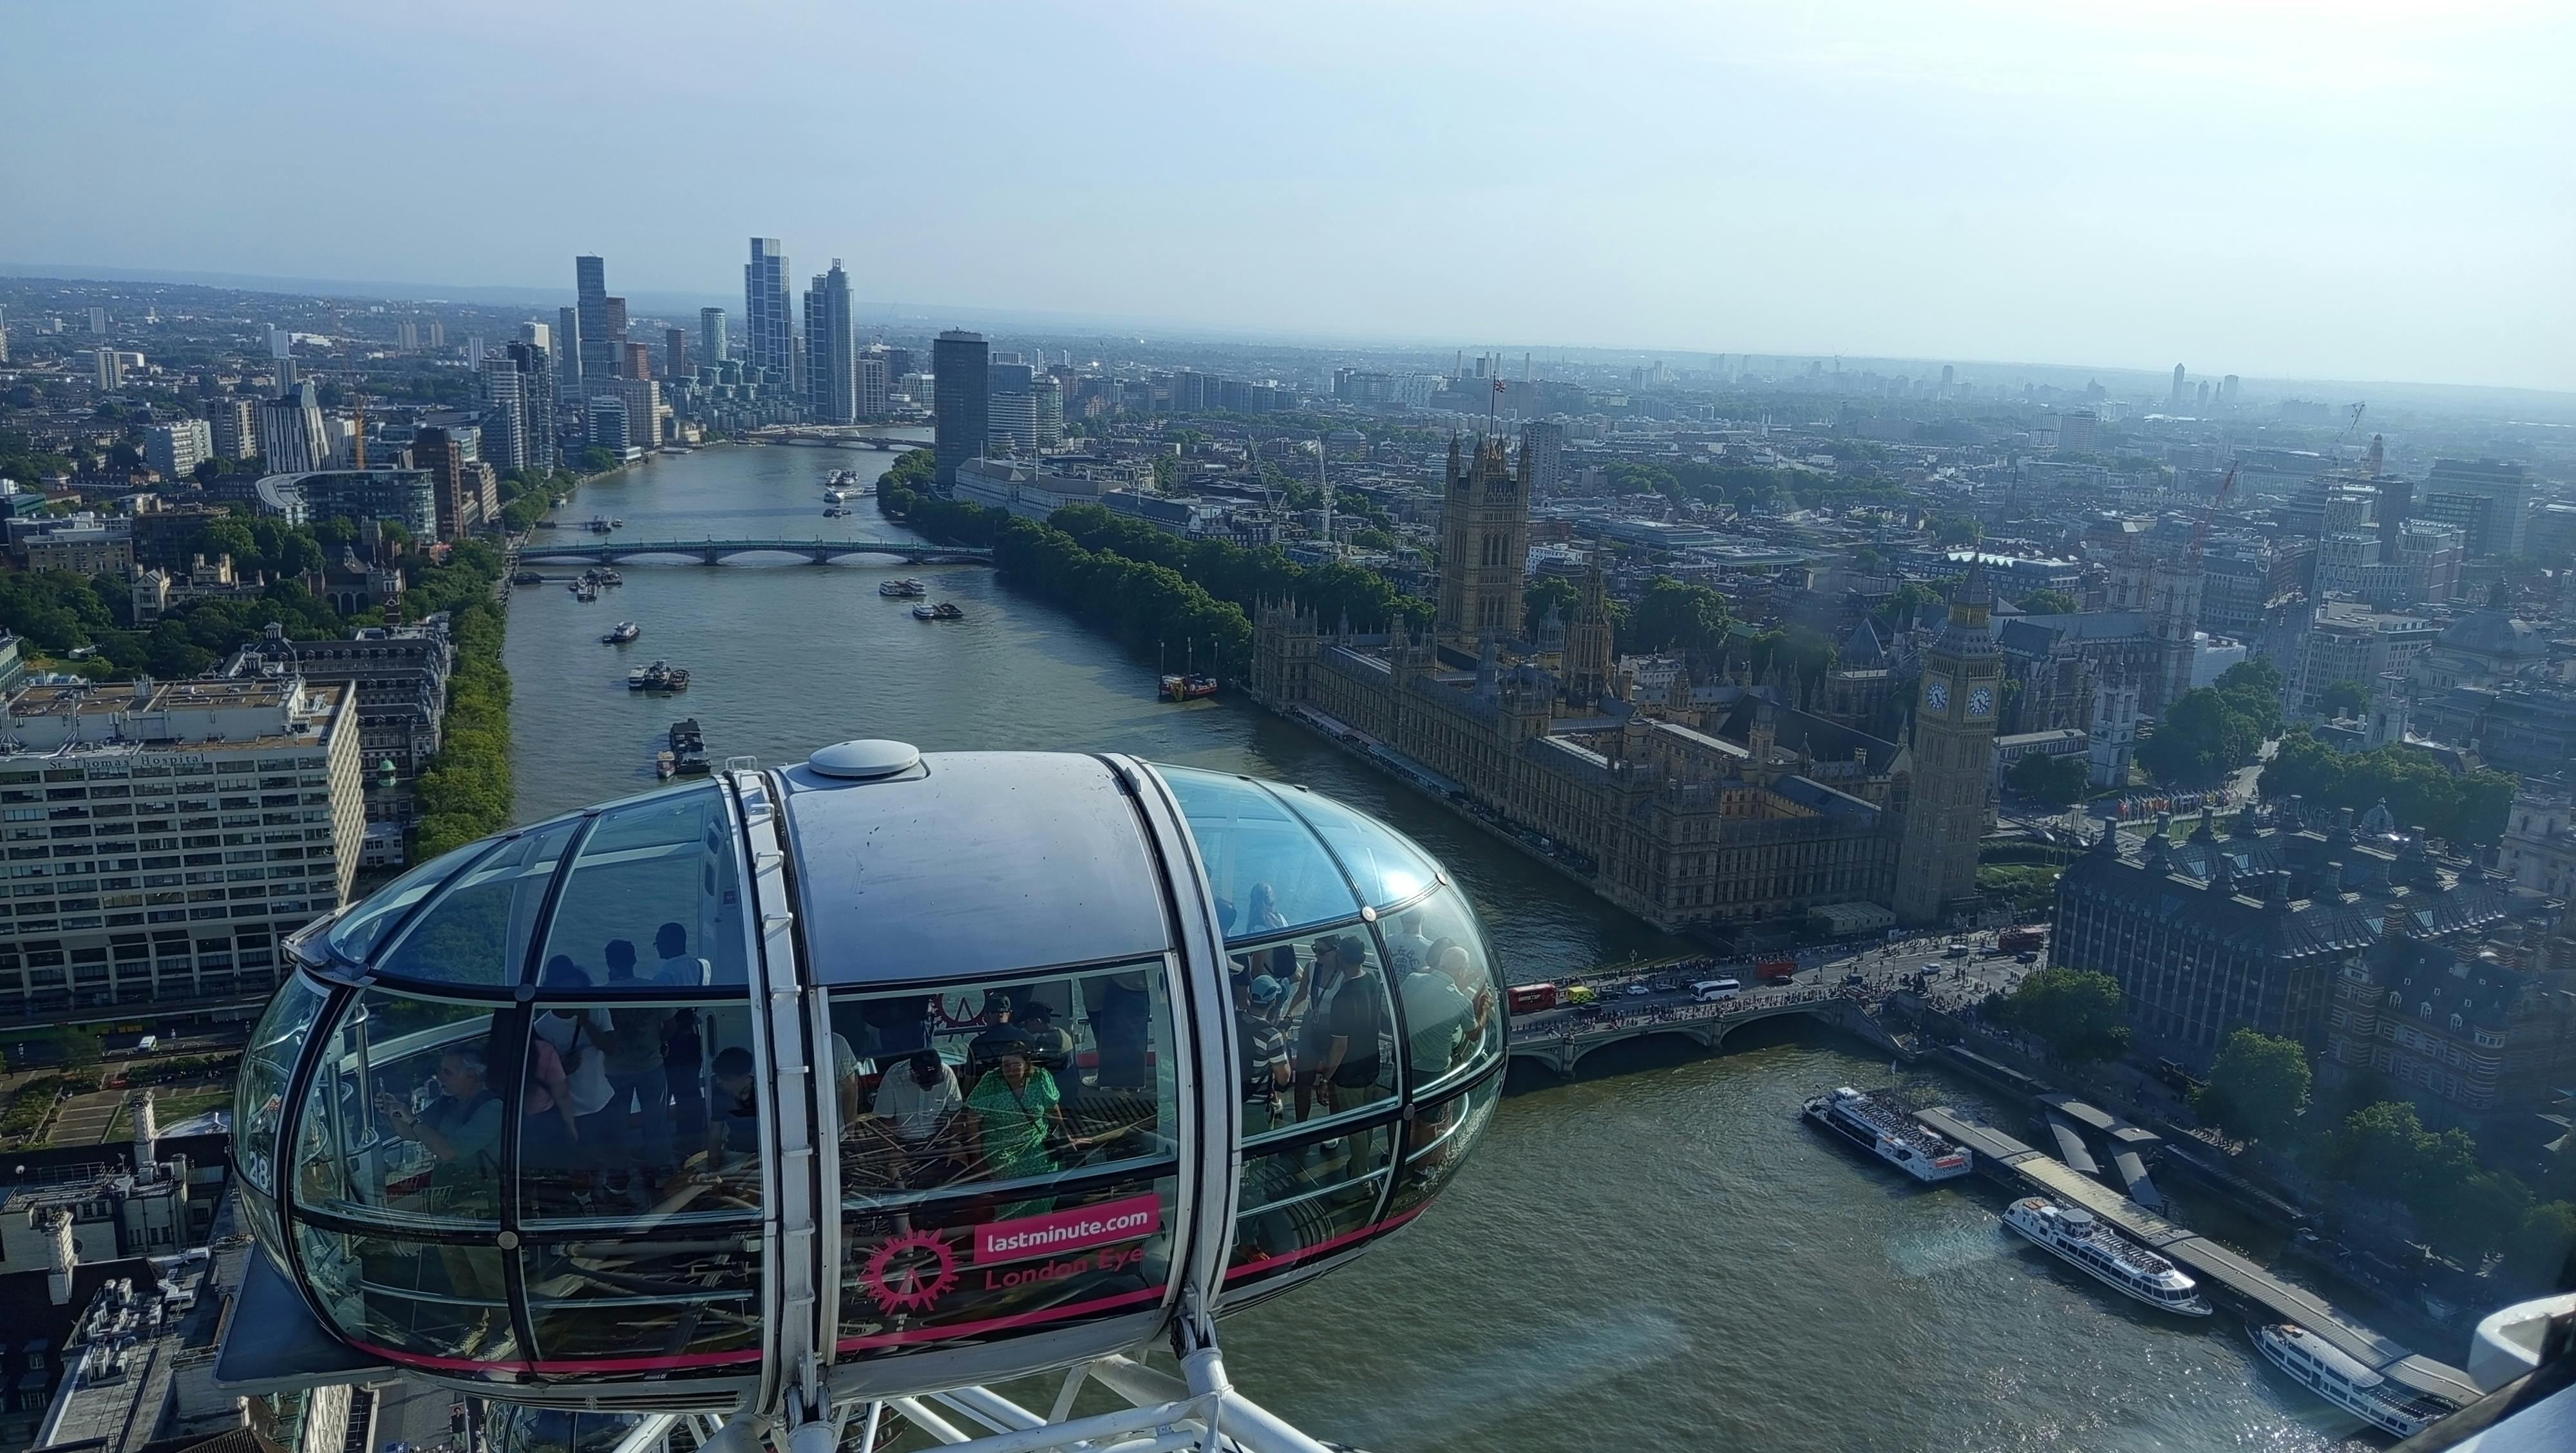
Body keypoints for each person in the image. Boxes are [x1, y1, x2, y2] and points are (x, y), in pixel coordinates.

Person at [374, 1043, 506, 1319]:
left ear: (471, 1075)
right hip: (448, 1199)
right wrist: (394, 1113)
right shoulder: (448, 1103)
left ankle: (502, 1329)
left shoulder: (493, 1108)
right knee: (459, 1271)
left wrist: (412, 1120)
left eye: (447, 1072)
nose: (439, 1077)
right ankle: (475, 1324)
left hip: (480, 1204)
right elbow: (412, 1134)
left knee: (489, 1273)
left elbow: (449, 1151)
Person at [598, 939, 676, 1192]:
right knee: (656, 1121)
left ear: (609, 963)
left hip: (614, 1070)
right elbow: (671, 1025)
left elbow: (598, 1035)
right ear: (634, 960)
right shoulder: (653, 988)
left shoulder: (600, 995)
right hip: (651, 1064)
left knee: (616, 1125)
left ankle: (619, 1176)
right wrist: (660, 1043)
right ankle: (660, 1169)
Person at [532, 958, 618, 1174]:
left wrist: (587, 1023)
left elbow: (611, 1047)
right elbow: (540, 1077)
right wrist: (563, 1068)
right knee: (585, 1162)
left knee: (614, 1154)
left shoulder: (597, 1011)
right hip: (574, 1110)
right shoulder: (542, 1028)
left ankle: (614, 1186)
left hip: (605, 1099)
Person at [963, 1043, 1088, 1186]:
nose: (1010, 1070)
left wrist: (1067, 1136)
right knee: (1010, 1175)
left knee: (1046, 1172)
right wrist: (977, 1157)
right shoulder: (991, 1082)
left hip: (1035, 1139)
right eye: (1006, 1065)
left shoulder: (1040, 1078)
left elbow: (1053, 1109)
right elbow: (973, 1119)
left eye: (1016, 1065)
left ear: (1026, 1065)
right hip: (1001, 1145)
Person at [865, 1049, 962, 1185]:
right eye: (926, 1083)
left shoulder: (947, 1074)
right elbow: (885, 1120)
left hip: (938, 1139)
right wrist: (894, 1152)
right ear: (912, 1073)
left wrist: (955, 1143)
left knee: (958, 1174)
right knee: (899, 1183)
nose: (930, 1088)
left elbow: (956, 1113)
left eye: (933, 1082)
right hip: (901, 1143)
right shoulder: (894, 1076)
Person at [1317, 935, 1387, 1109]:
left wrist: (1325, 1080)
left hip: (1350, 1074)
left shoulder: (1343, 997)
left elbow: (1340, 1046)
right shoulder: (1372, 981)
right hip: (1371, 1065)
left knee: (1354, 1122)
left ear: (1341, 957)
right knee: (1368, 1117)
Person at [1289, 936, 1347, 1121]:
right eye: (1315, 949)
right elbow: (1301, 994)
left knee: (1332, 1083)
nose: (1317, 955)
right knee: (1303, 1082)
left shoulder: (1345, 974)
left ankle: (1334, 1128)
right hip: (1310, 1027)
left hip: (1333, 1031)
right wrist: (1289, 1014)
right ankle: (1301, 1125)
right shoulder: (1311, 967)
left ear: (1336, 951)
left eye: (1322, 951)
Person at [1399, 943, 1473, 1084]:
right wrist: (1483, 1009)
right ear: (1461, 972)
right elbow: (1473, 1035)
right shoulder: (1461, 1002)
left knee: (1399, 1094)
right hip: (1434, 1070)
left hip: (1403, 1060)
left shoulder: (1412, 979)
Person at [1236, 974, 1293, 1134]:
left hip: (1229, 1099)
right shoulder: (1271, 1035)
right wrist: (1284, 1043)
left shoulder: (1233, 1020)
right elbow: (1283, 1078)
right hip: (1255, 1104)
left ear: (1250, 996)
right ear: (1273, 1002)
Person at [1015, 1003, 1076, 1078]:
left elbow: (1035, 1066)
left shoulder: (1044, 1040)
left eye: (1026, 1023)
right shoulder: (1063, 1033)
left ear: (1037, 1021)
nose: (1024, 1026)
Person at [654, 922, 711, 987]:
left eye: (658, 943)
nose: (657, 947)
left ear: (669, 944)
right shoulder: (704, 964)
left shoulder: (665, 976)